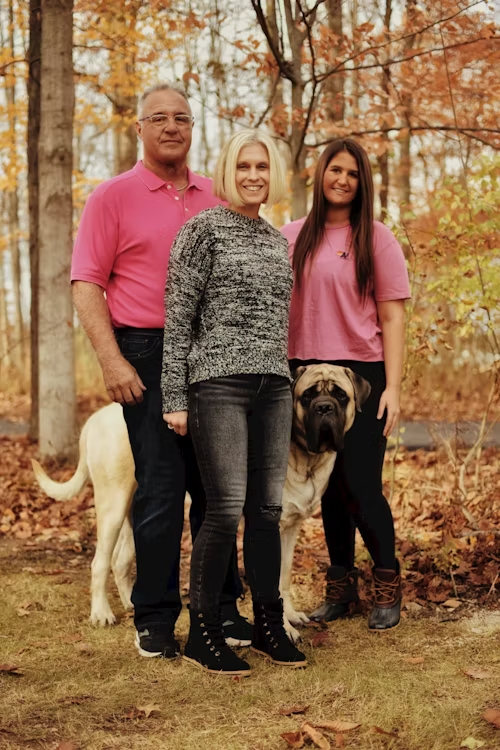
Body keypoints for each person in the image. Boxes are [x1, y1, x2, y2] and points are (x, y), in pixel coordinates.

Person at [71, 82, 249, 659]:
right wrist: (112, 358)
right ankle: (153, 617)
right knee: (163, 488)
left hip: (212, 349)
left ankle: (221, 609)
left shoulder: (215, 196)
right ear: (139, 127)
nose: (172, 127)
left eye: (182, 118)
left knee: (219, 489)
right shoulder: (112, 196)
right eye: (159, 118)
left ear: (192, 128)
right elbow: (86, 283)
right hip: (143, 350)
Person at [161, 129, 307, 675]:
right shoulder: (201, 231)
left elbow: (278, 324)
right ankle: (203, 633)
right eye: (244, 165)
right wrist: (175, 395)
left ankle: (268, 624)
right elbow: (178, 320)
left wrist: (287, 382)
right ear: (228, 170)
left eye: (263, 167)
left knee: (267, 511)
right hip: (217, 384)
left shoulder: (275, 240)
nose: (253, 175)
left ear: (274, 175)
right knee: (223, 510)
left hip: (273, 386)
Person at [282, 138, 410, 631]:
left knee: (360, 485)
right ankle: (340, 589)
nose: (342, 180)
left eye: (352, 174)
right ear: (320, 175)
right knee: (327, 488)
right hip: (302, 377)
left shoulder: (376, 238)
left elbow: (393, 318)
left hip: (360, 376)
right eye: (335, 170)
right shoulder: (291, 236)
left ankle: (386, 582)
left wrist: (392, 388)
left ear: (363, 184)